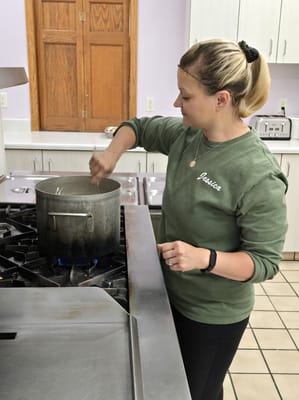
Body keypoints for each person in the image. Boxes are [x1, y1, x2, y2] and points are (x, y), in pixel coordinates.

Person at [89, 39, 288, 400]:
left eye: (186, 95)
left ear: (221, 99)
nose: (176, 103)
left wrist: (204, 258)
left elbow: (264, 262)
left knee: (197, 392)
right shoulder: (189, 136)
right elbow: (138, 127)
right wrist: (111, 153)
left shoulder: (257, 173)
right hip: (169, 296)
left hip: (213, 315)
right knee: (172, 385)